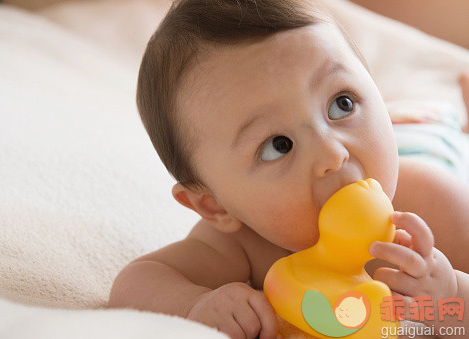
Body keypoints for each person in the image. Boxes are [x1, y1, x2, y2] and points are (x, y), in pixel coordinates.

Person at [109, 0, 469, 338]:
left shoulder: (436, 204)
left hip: (424, 148)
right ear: (215, 205)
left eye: (342, 103)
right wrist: (192, 305)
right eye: (278, 145)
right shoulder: (240, 243)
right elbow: (137, 281)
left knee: (433, 125)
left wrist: (449, 294)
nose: (332, 154)